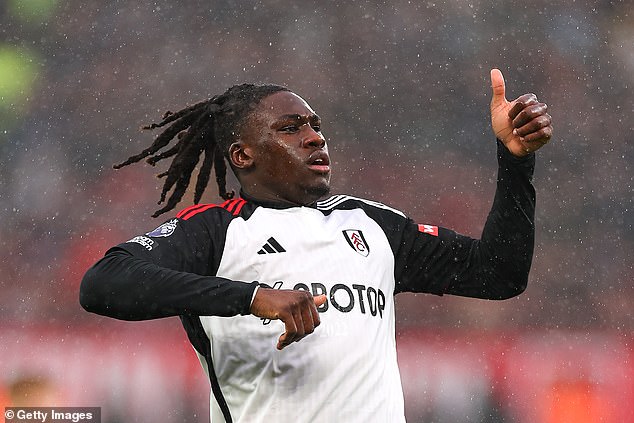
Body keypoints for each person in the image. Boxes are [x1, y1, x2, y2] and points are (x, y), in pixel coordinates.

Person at [80, 69, 552, 422]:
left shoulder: (374, 226)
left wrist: (514, 163)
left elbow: (499, 275)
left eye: (314, 124)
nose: (314, 137)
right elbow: (104, 283)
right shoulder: (216, 231)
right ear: (243, 154)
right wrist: (251, 297)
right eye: (290, 128)